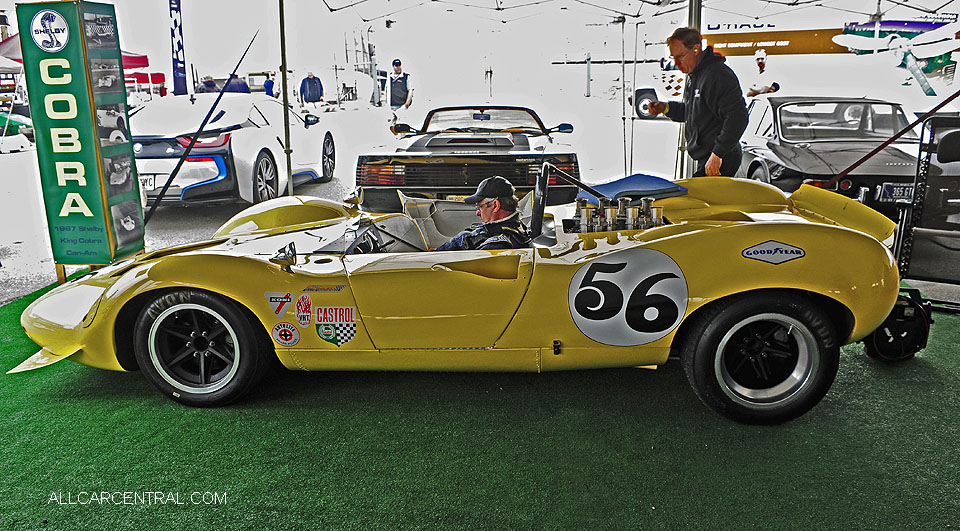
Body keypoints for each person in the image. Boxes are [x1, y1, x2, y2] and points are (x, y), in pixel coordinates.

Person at [648, 27, 748, 177]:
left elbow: (738, 117)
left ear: (695, 49)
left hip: (721, 158)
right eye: (673, 58)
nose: (676, 63)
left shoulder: (717, 75)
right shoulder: (695, 75)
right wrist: (666, 108)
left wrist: (717, 154)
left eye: (680, 56)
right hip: (709, 156)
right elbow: (693, 112)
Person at [436, 176, 532, 251]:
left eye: (480, 207)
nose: (478, 213)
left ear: (495, 205)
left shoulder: (496, 244)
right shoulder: (518, 227)